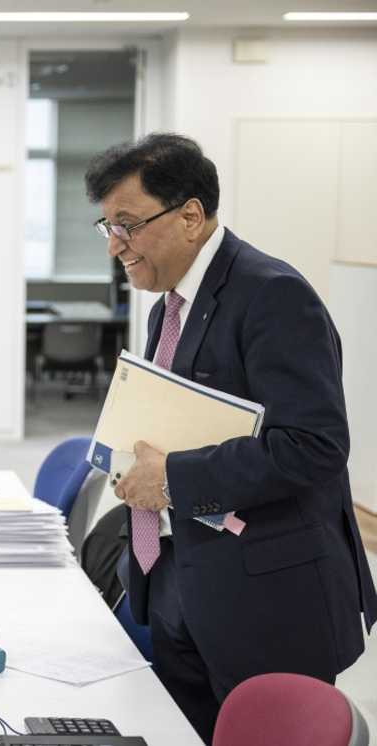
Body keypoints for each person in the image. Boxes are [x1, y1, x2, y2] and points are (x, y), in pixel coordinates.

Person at [84, 133, 377, 743]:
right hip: (177, 577)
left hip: (264, 597)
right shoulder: (168, 304)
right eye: (108, 227)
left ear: (191, 216)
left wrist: (169, 478)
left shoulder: (271, 294)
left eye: (129, 225)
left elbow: (315, 445)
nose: (116, 246)